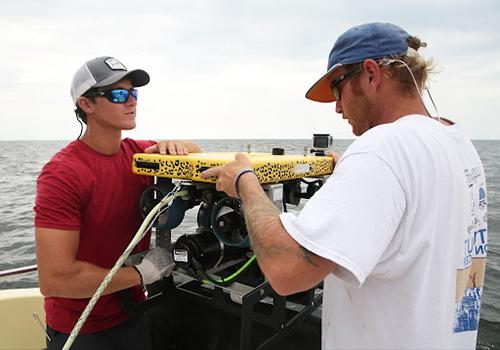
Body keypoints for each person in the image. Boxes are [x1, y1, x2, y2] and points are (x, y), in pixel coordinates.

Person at [201, 22, 488, 349]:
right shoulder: (456, 143)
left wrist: (245, 182)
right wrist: (353, 179)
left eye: (337, 89)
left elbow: (286, 271)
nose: (337, 107)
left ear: (370, 74)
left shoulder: (381, 151)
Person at [34, 56, 201, 349]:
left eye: (133, 93)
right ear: (86, 104)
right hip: (82, 330)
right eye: (118, 95)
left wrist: (178, 145)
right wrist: (142, 273)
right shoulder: (63, 173)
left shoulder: (140, 156)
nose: (131, 102)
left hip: (134, 314)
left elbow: (197, 150)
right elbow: (55, 278)